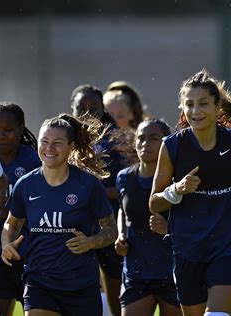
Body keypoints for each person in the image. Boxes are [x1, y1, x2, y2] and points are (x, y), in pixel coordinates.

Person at [149, 70, 231, 316]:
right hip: (187, 245)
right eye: (189, 105)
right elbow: (154, 203)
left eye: (203, 103)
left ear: (217, 106)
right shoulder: (172, 146)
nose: (196, 111)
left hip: (230, 242)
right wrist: (176, 190)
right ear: (182, 108)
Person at [1, 113, 118, 316]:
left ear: (71, 146)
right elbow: (11, 223)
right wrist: (6, 244)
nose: (49, 148)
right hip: (39, 282)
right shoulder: (26, 185)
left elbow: (111, 230)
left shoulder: (88, 184)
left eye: (57, 143)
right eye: (44, 141)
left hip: (82, 285)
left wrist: (91, 242)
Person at [70, 84, 130, 315]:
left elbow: (128, 183)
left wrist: (95, 194)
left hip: (109, 220)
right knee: (77, 285)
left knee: (114, 279)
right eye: (81, 107)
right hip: (74, 223)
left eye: (93, 107)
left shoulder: (116, 140)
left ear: (103, 109)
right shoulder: (63, 139)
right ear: (71, 110)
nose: (87, 112)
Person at [114, 119, 182, 316]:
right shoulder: (124, 177)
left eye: (153, 138)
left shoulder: (177, 181)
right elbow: (122, 210)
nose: (145, 144)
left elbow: (193, 221)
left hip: (172, 273)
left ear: (166, 143)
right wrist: (121, 234)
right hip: (136, 273)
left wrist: (169, 228)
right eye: (141, 138)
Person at [0, 102, 41, 316]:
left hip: (31, 249)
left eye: (7, 130)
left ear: (21, 128)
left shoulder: (35, 161)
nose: (1, 135)